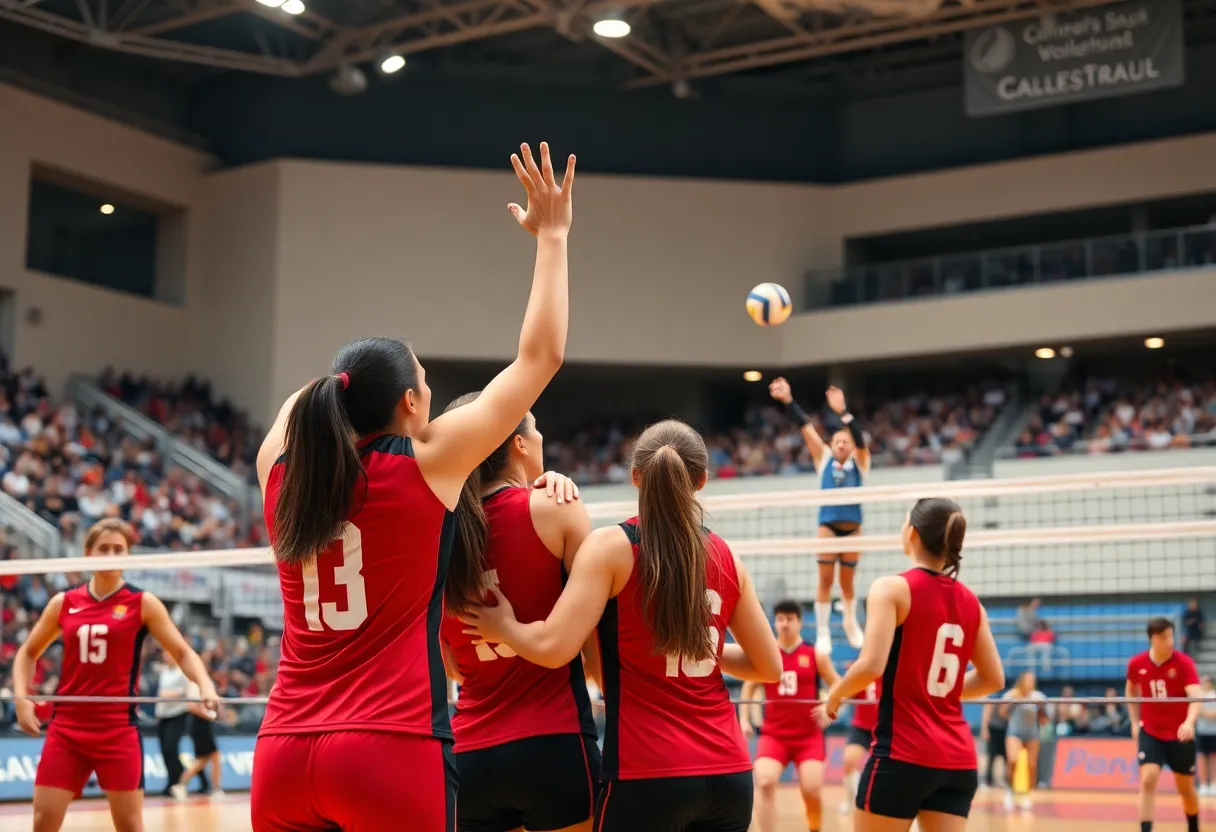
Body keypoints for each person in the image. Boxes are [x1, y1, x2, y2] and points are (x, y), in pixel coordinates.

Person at [250, 141, 576, 832]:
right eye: (423, 381)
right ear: (408, 404)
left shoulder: (280, 470)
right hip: (386, 745)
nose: (429, 389)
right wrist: (553, 235)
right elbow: (541, 356)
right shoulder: (428, 464)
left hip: (281, 753)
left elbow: (312, 401)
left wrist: (353, 375)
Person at [459, 419, 783, 832]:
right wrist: (707, 650)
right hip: (729, 774)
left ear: (634, 477)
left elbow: (556, 646)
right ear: (701, 480)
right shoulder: (726, 557)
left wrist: (504, 627)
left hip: (646, 771)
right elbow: (769, 667)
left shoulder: (612, 548)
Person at [439, 392, 600, 832]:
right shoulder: (556, 508)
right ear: (520, 445)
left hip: (470, 754)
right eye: (535, 427)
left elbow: (450, 665)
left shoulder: (437, 535)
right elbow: (596, 642)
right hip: (555, 743)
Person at [12, 519, 219, 832]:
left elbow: (183, 652)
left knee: (130, 825)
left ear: (129, 555)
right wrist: (21, 696)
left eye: (118, 549)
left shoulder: (143, 603)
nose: (111, 554)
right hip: (67, 729)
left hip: (117, 731)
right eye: (103, 548)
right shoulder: (63, 603)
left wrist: (205, 684)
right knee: (43, 822)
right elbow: (27, 652)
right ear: (88, 553)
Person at [818, 498, 1005, 831]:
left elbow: (871, 665)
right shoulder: (971, 602)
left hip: (902, 755)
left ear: (913, 534)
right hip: (958, 761)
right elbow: (993, 679)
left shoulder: (891, 588)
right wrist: (938, 692)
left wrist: (835, 693)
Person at [769, 379, 869, 654]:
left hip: (853, 530)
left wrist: (843, 411)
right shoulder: (823, 458)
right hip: (827, 527)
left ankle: (850, 622)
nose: (840, 444)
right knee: (825, 581)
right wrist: (788, 400)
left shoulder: (860, 462)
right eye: (836, 440)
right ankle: (824, 631)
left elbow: (860, 438)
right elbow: (805, 427)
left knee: (847, 584)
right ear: (831, 444)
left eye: (845, 441)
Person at [739, 600, 838, 832]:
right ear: (774, 622)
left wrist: (829, 709)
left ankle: (814, 827)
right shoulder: (766, 653)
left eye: (790, 619)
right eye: (780, 619)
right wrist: (744, 718)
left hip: (808, 736)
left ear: (799, 622)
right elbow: (748, 687)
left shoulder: (815, 655)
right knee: (764, 781)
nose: (784, 624)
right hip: (775, 735)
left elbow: (838, 684)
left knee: (812, 789)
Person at [1126, 617, 1203, 832]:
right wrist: (1134, 722)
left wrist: (1189, 723)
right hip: (1150, 731)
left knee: (1186, 788)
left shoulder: (1184, 662)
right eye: (1165, 637)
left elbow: (1196, 695)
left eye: (1172, 636)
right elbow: (1130, 691)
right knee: (1148, 779)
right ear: (1153, 639)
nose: (1171, 641)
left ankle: (1194, 828)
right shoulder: (1137, 664)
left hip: (1180, 734)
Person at [1001, 671, 1047, 812]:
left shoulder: (1038, 696)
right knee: (1013, 761)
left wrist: (1041, 708)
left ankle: (1027, 795)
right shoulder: (1011, 694)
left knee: (1031, 765)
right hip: (1014, 733)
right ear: (1021, 681)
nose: (1030, 683)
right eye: (1028, 680)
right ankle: (1009, 791)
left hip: (1032, 733)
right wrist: (1013, 704)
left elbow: (1044, 720)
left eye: (1032, 680)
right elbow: (1002, 713)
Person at [171, 677, 223, 800]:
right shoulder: (194, 683)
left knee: (207, 757)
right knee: (208, 757)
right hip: (199, 723)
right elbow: (191, 706)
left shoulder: (204, 683)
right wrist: (209, 715)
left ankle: (215, 789)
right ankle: (215, 789)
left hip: (202, 723)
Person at [839, 675, 879, 815]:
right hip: (861, 727)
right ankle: (851, 799)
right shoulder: (863, 671)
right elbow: (847, 694)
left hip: (883, 728)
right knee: (849, 760)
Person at [154, 652, 191, 797]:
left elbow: (185, 691)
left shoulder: (182, 672)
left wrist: (170, 695)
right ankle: (171, 781)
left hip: (177, 714)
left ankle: (178, 780)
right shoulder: (164, 672)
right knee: (164, 750)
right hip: (163, 715)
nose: (166, 656)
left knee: (171, 748)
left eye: (169, 654)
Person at [979, 691, 1008, 789]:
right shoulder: (992, 696)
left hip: (1004, 729)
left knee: (1005, 757)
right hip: (993, 729)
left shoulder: (1006, 695)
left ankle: (1006, 780)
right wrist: (985, 729)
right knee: (991, 756)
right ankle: (987, 781)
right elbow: (986, 713)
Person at [1197, 675, 1216, 797]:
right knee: (1202, 759)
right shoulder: (1199, 697)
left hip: (1214, 732)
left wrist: (1206, 713)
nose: (1204, 684)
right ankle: (1203, 784)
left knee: (1213, 759)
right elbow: (1197, 711)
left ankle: (1213, 784)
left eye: (1206, 682)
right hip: (1201, 731)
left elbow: (1212, 714)